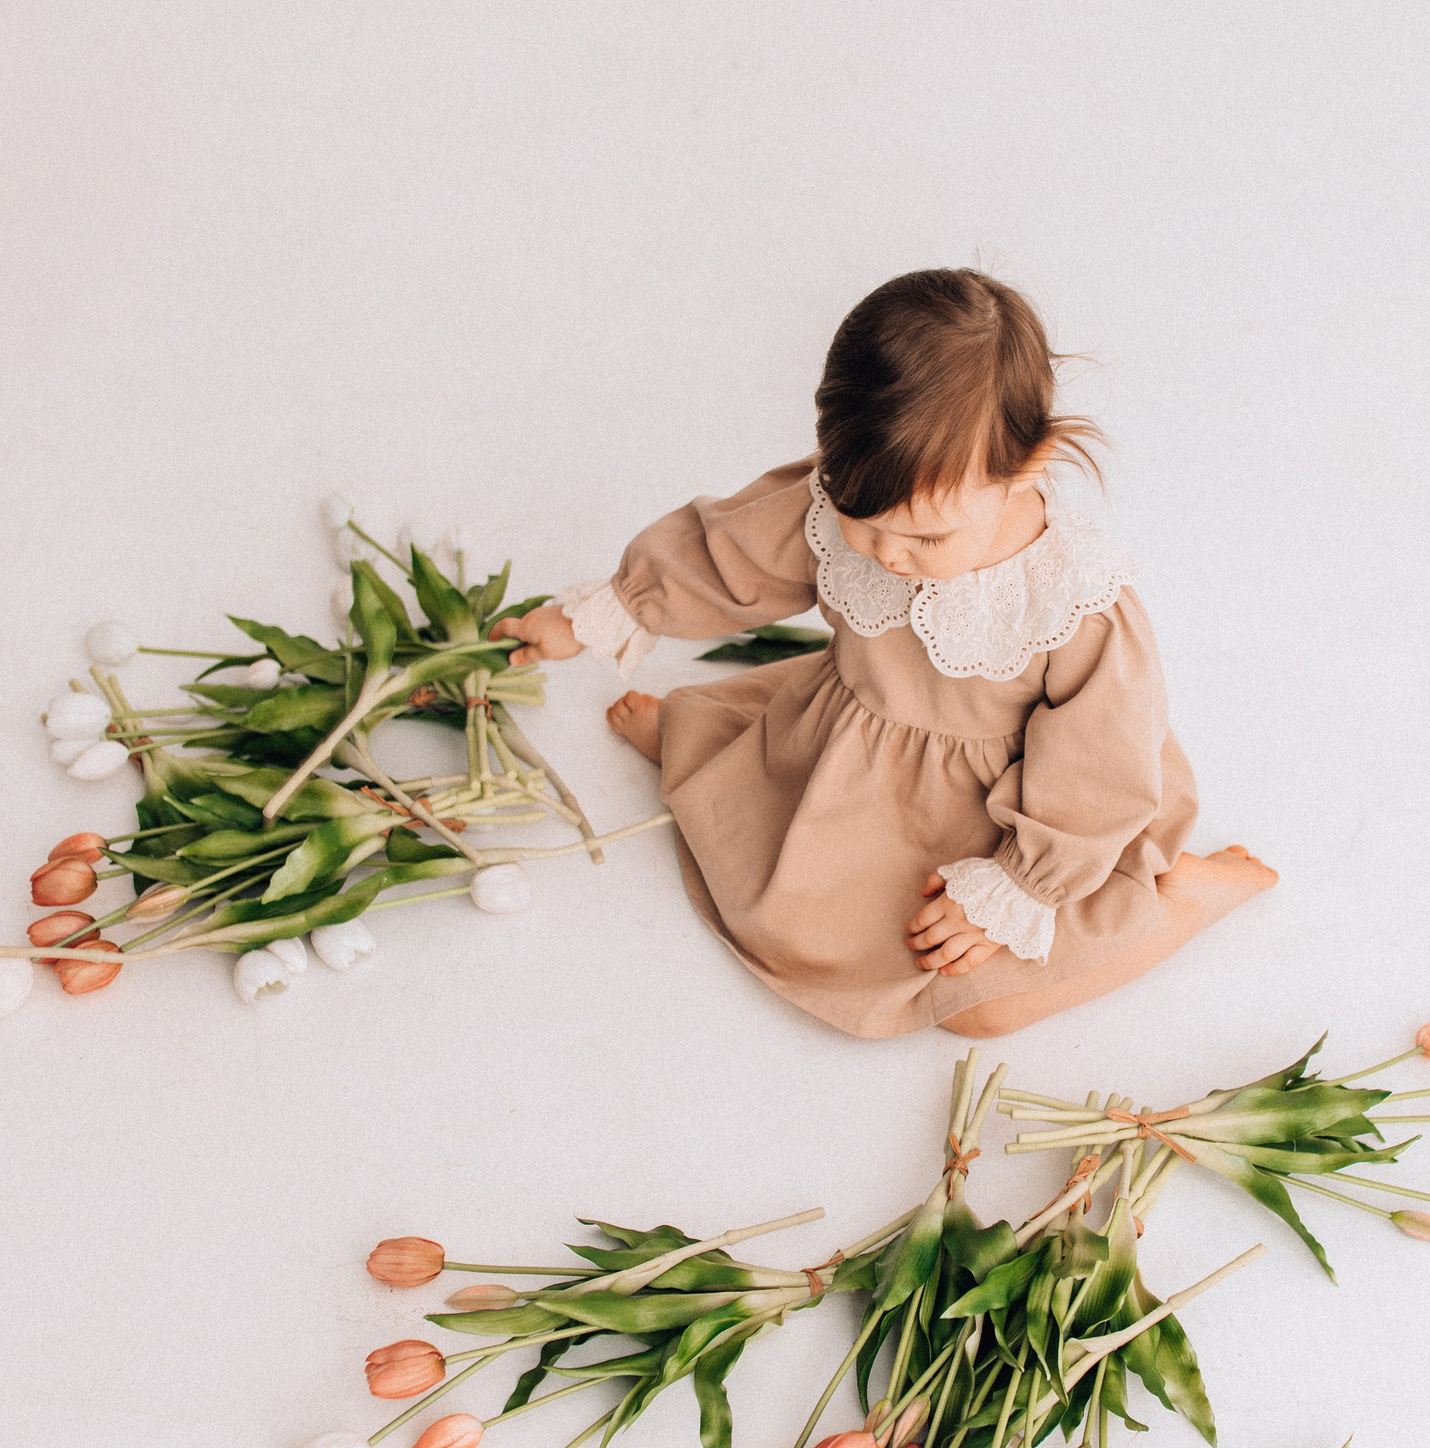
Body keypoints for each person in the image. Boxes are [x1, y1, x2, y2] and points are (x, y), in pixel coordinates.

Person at [494, 269, 1274, 1037]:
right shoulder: (850, 502)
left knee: (981, 1011)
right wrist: (612, 610)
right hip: (858, 740)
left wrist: (1020, 883)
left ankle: (1186, 904)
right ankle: (714, 753)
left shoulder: (1070, 602)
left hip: (1026, 808)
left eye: (928, 537)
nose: (887, 556)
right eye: (863, 525)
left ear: (1027, 468)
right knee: (734, 785)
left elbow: (1102, 766)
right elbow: (732, 551)